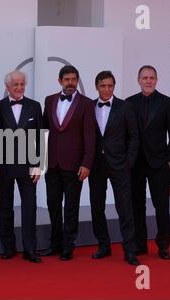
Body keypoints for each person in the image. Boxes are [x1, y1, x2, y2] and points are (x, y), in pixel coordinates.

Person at [41, 65, 96, 260]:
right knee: (53, 205)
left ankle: (68, 246)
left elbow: (90, 136)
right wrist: (40, 163)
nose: (70, 83)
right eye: (67, 79)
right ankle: (54, 243)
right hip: (52, 163)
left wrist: (87, 163)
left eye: (73, 79)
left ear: (77, 81)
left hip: (75, 165)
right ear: (60, 81)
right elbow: (43, 132)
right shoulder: (49, 101)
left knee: (71, 207)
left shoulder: (87, 104)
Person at [126, 65, 170, 260]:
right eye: (145, 77)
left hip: (159, 162)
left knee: (161, 206)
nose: (148, 81)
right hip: (136, 163)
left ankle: (163, 246)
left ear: (156, 80)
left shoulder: (167, 103)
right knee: (136, 206)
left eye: (152, 78)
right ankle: (140, 244)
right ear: (138, 80)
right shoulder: (129, 103)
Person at [88, 71, 140, 265]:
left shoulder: (126, 107)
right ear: (97, 86)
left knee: (125, 207)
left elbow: (134, 137)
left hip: (120, 165)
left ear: (114, 87)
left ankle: (130, 250)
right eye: (103, 86)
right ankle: (103, 245)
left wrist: (129, 162)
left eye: (110, 86)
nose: (107, 89)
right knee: (97, 206)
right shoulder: (89, 107)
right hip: (96, 165)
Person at [0, 70, 43, 263]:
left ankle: (30, 249)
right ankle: (8, 247)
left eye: (22, 84)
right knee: (4, 207)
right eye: (15, 84)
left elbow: (41, 137)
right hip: (5, 166)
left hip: (28, 166)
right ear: (7, 86)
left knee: (29, 208)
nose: (19, 87)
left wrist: (39, 165)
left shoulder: (34, 106)